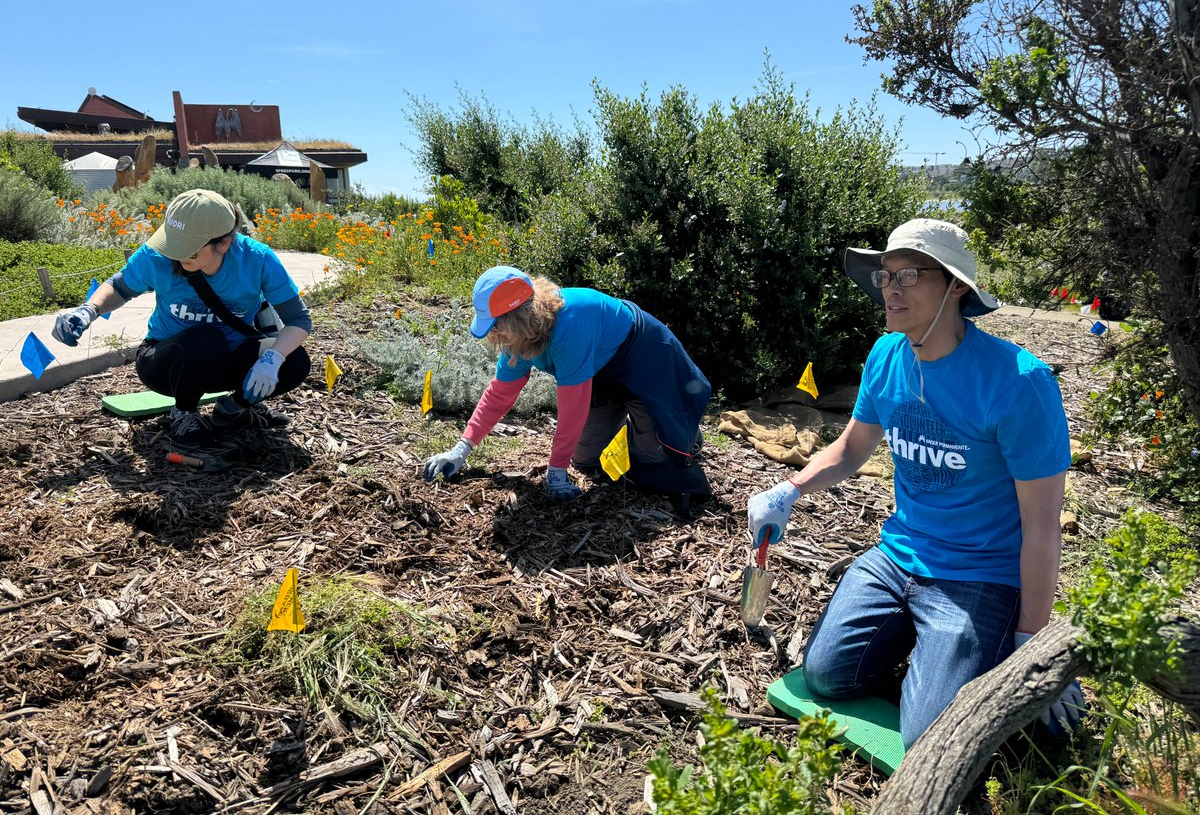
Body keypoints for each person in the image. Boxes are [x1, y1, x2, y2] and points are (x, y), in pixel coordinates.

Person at [747, 218, 1083, 749]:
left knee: (927, 736)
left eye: (909, 274)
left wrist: (1032, 636)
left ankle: (985, 654)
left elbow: (1042, 522)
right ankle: (935, 653)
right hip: (898, 554)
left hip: (979, 575)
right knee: (825, 675)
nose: (891, 288)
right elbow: (851, 449)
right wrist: (789, 491)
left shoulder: (1018, 382)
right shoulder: (886, 356)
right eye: (885, 276)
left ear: (955, 286)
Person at [423, 266, 711, 511]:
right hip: (599, 370)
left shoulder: (570, 326)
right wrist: (461, 449)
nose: (494, 337)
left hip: (641, 357)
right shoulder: (517, 339)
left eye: (497, 327)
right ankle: (639, 428)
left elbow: (573, 409)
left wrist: (556, 471)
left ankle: (685, 434)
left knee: (658, 458)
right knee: (588, 460)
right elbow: (500, 393)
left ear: (519, 318)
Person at [51, 188, 313, 449]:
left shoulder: (257, 259)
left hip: (229, 358)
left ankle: (233, 409)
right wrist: (88, 310)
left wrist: (272, 358)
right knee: (206, 339)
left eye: (188, 249)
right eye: (172, 244)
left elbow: (298, 319)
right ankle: (184, 414)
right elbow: (119, 288)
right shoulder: (157, 256)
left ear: (223, 243)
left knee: (296, 360)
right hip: (168, 363)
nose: (175, 255)